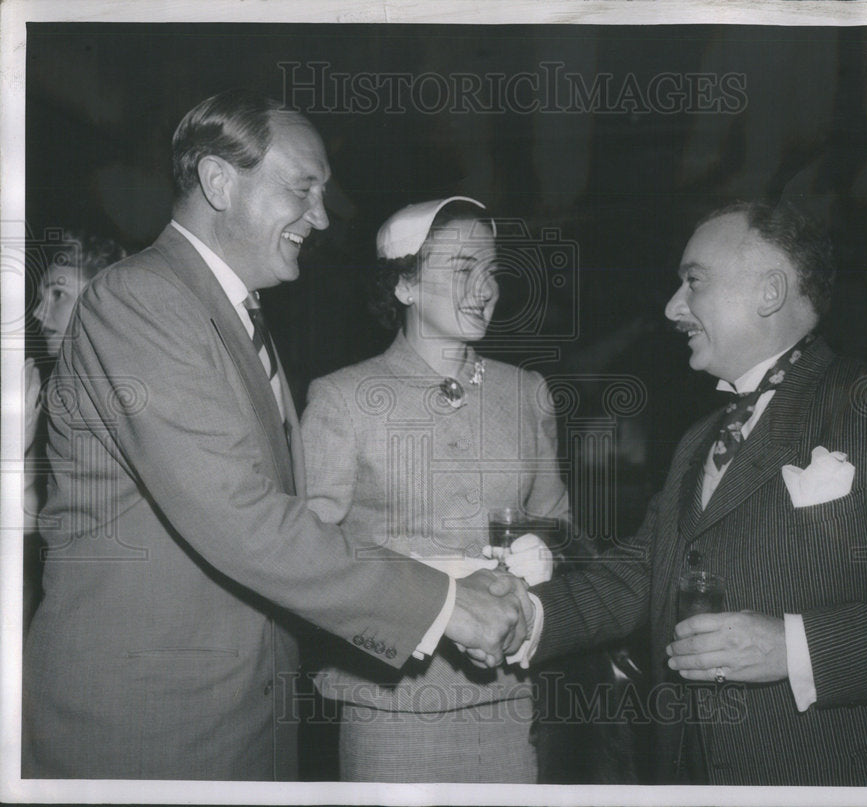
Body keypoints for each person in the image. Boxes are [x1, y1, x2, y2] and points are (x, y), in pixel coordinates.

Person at [22, 91, 532, 781]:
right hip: (147, 727)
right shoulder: (141, 300)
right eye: (303, 189)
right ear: (218, 181)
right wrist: (445, 605)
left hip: (239, 719)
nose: (321, 217)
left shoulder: (234, 313)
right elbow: (241, 518)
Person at [527, 200, 867, 786]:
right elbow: (637, 576)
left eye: (693, 282)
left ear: (769, 291)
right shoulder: (699, 438)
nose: (672, 307)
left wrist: (795, 648)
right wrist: (519, 615)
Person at [300, 197, 564, 782]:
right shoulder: (342, 398)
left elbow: (555, 525)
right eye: (462, 268)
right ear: (404, 285)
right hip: (392, 701)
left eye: (491, 270)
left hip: (508, 693)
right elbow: (308, 559)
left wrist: (540, 559)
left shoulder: (526, 392)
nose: (485, 288)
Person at [23, 232, 128, 617]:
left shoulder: (120, 395)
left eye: (57, 294)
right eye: (41, 296)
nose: (37, 313)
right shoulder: (57, 390)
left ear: (101, 297)